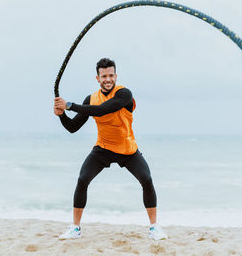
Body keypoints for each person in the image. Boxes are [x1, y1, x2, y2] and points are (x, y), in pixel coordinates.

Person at [53, 58, 167, 240]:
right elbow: (72, 127)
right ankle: (75, 228)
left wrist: (69, 105)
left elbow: (102, 110)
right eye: (104, 76)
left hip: (127, 149)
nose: (108, 79)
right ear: (97, 78)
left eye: (111, 75)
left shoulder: (124, 94)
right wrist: (62, 114)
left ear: (116, 76)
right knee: (82, 179)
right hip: (103, 148)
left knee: (146, 179)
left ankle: (154, 227)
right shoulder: (90, 98)